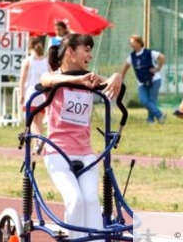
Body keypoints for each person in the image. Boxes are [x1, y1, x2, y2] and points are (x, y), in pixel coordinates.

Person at [41, 34, 123, 238]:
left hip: (85, 153)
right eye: (86, 49)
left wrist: (116, 77)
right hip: (57, 152)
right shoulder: (55, 78)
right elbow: (47, 79)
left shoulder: (90, 79)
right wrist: (78, 79)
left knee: (91, 200)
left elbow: (115, 87)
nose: (90, 55)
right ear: (70, 51)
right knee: (75, 199)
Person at [120, 35, 166, 124]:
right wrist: (121, 79)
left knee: (152, 100)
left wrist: (158, 68)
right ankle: (160, 114)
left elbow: (162, 57)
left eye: (133, 43)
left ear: (139, 42)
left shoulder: (148, 52)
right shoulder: (132, 56)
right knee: (143, 99)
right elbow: (125, 68)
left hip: (154, 79)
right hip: (141, 82)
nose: (132, 45)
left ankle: (150, 120)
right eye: (131, 43)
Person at [19, 37, 50, 154]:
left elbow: (22, 79)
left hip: (31, 94)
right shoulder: (45, 61)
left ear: (30, 47)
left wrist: (21, 94)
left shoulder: (27, 61)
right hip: (42, 95)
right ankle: (36, 146)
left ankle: (39, 139)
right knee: (38, 122)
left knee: (31, 122)